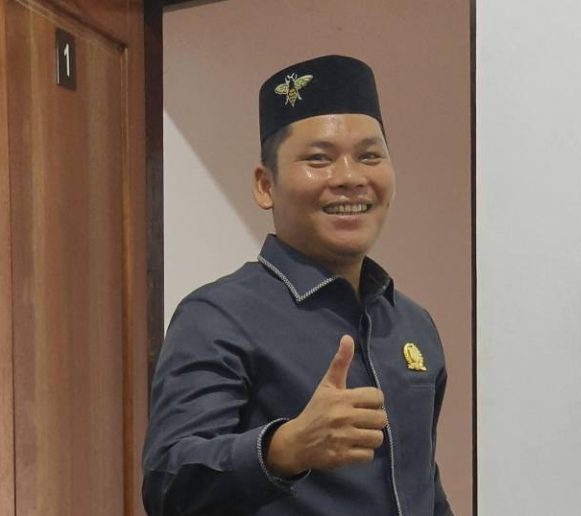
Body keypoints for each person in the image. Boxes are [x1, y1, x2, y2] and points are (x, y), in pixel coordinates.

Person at [142, 54, 452, 516]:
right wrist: (284, 448)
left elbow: (422, 487)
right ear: (265, 185)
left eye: (369, 156)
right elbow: (168, 482)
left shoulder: (412, 324)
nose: (350, 178)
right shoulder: (218, 316)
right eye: (319, 159)